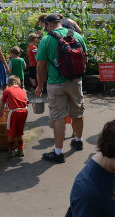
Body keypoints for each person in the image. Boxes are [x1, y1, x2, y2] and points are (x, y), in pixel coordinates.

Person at [35, 14, 88, 163]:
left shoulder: (46, 40)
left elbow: (40, 67)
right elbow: (86, 58)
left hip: (55, 83)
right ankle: (78, 140)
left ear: (49, 25)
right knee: (78, 112)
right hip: (76, 81)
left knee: (58, 116)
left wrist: (40, 86)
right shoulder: (77, 35)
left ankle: (58, 152)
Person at [0, 75, 28, 158]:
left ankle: (11, 150)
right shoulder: (22, 90)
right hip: (24, 111)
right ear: (18, 83)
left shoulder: (7, 90)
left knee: (10, 132)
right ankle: (21, 150)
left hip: (15, 112)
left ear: (8, 83)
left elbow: (2, 104)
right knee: (20, 132)